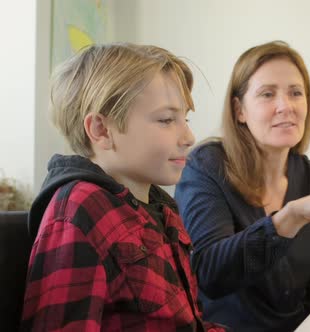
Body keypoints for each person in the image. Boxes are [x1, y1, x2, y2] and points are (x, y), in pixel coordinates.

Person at [175, 41, 310, 331]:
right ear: (239, 110)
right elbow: (209, 275)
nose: (285, 106)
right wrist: (290, 218)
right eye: (267, 94)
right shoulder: (207, 166)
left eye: (295, 93)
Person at [21, 43, 225, 331]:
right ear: (102, 130)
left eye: (185, 119)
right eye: (167, 120)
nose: (189, 136)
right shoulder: (81, 210)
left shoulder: (163, 208)